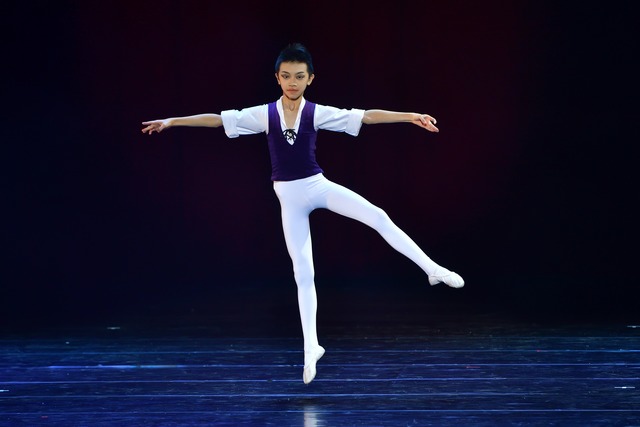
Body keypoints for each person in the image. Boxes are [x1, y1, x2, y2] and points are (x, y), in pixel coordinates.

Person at [142, 42, 464, 385]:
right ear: (277, 78)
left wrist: (410, 116)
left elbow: (365, 116)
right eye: (286, 76)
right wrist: (172, 121)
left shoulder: (317, 112)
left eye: (299, 76)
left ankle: (433, 269)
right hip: (289, 198)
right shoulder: (264, 114)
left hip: (317, 185)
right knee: (303, 271)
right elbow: (218, 120)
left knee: (378, 216)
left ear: (310, 78)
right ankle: (312, 346)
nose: (292, 82)